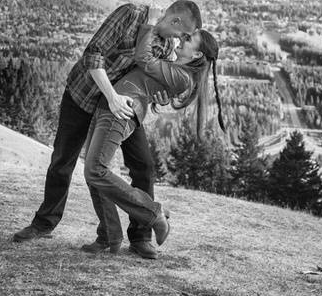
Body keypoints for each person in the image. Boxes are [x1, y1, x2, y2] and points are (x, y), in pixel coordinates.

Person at [12, 0, 201, 259]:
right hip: (85, 96)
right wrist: (111, 95)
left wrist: (159, 97)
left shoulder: (166, 45)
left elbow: (152, 78)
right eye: (183, 34)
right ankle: (44, 223)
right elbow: (94, 53)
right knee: (63, 162)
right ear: (175, 21)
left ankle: (140, 236)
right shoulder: (131, 15)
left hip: (120, 108)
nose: (181, 40)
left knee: (143, 166)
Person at [82, 26, 225, 254]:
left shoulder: (183, 77)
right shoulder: (175, 67)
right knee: (95, 175)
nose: (182, 37)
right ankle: (110, 235)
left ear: (197, 54)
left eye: (188, 39)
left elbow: (143, 58)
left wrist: (151, 25)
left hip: (122, 110)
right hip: (110, 104)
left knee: (95, 170)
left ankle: (153, 213)